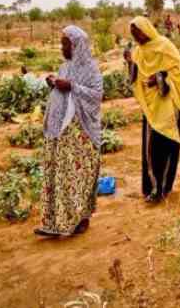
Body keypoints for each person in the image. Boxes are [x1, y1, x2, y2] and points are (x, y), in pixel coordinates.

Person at [36, 25, 103, 237]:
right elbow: (64, 91)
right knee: (58, 175)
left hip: (80, 132)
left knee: (76, 175)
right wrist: (55, 83)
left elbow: (96, 96)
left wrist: (72, 86)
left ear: (77, 45)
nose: (61, 46)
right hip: (59, 131)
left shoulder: (91, 69)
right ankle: (55, 222)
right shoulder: (64, 66)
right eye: (62, 42)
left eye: (65, 43)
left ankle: (79, 219)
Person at [124, 16, 180, 204]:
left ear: (146, 30)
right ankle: (154, 187)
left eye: (138, 33)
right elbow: (134, 78)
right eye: (133, 34)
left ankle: (164, 187)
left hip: (168, 104)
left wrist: (159, 78)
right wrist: (130, 62)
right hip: (151, 107)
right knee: (152, 148)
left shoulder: (164, 45)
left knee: (168, 144)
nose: (137, 38)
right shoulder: (138, 52)